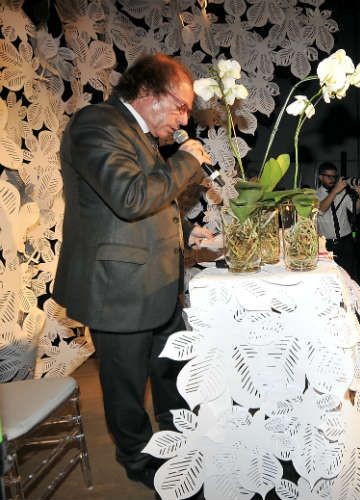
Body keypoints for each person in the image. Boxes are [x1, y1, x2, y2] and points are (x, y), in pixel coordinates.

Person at [53, 54, 214, 489]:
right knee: (125, 388)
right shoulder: (96, 124)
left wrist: (187, 234)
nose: (184, 120)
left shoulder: (139, 136)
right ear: (147, 94)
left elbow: (150, 207)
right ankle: (141, 463)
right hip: (118, 289)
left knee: (172, 374)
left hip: (157, 283)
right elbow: (130, 197)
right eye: (181, 106)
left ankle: (179, 451)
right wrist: (186, 159)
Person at [316, 162, 360, 277]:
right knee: (329, 276)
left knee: (348, 275)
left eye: (334, 176)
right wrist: (335, 192)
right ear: (320, 177)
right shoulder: (314, 194)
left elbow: (356, 210)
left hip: (346, 241)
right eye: (329, 176)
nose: (332, 179)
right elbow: (321, 210)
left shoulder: (342, 192)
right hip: (327, 243)